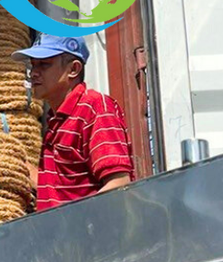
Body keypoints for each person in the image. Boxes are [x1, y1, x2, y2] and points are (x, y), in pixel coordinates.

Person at [12, 34, 135, 211]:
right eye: (33, 65)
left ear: (73, 69)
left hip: (90, 228)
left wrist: (77, 223)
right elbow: (61, 192)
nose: (34, 73)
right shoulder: (56, 121)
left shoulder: (95, 108)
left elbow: (119, 184)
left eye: (44, 64)